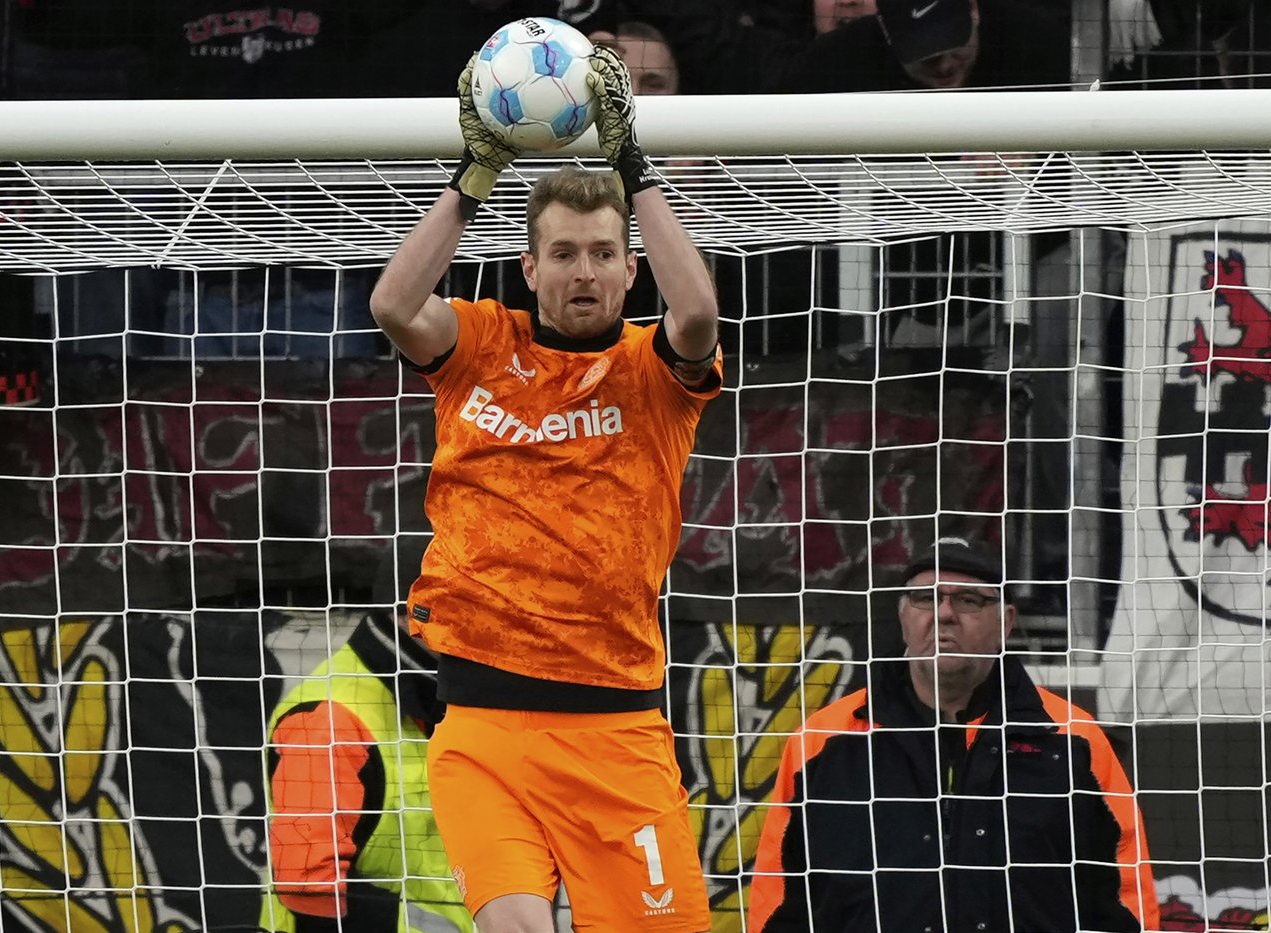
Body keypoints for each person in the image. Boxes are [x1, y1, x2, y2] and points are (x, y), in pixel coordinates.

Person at [367, 42, 721, 933]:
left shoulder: (652, 372)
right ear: (530, 269)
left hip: (616, 733)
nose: (585, 271)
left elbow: (700, 316)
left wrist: (628, 161)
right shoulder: (482, 344)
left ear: (629, 269)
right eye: (562, 253)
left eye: (605, 254)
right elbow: (392, 306)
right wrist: (474, 174)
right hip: (483, 725)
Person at [748, 535, 1161, 933]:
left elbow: (1126, 900)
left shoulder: (1074, 740)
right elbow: (778, 899)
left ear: (1006, 622)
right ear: (902, 615)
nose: (944, 614)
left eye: (969, 600)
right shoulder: (823, 742)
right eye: (926, 598)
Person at [261, 609, 474, 933]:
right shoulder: (327, 722)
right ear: (409, 611)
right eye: (467, 605)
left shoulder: (440, 699)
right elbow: (309, 895)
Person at [777, 0, 1068, 92]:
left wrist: (1032, 150)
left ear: (974, 12)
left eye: (954, 45)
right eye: (926, 56)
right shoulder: (838, 59)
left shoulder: (1033, 40)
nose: (945, 65)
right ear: (888, 36)